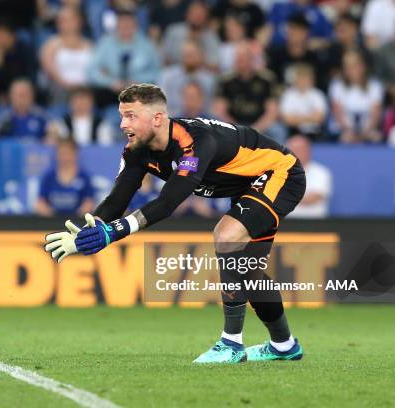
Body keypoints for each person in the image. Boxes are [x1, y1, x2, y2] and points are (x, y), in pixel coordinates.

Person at [46, 83, 306, 363]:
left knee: (226, 236)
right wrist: (88, 231)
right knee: (246, 272)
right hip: (246, 186)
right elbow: (116, 202)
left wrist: (114, 232)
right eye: (122, 116)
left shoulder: (194, 141)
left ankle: (231, 345)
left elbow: (168, 202)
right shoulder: (136, 150)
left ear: (157, 118)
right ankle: (284, 345)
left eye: (131, 116)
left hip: (280, 172)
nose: (123, 124)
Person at [213, 43, 285, 143]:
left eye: (243, 59)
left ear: (251, 60)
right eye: (238, 59)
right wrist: (237, 129)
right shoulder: (226, 81)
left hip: (260, 124)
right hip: (234, 125)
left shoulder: (266, 80)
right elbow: (220, 111)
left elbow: (272, 111)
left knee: (278, 130)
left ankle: (280, 158)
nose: (240, 62)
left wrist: (256, 129)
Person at [88, 9, 161, 107]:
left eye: (129, 25)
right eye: (122, 25)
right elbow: (92, 71)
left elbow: (157, 72)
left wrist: (139, 82)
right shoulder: (105, 43)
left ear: (136, 26)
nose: (126, 28)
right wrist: (110, 82)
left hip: (139, 92)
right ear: (116, 26)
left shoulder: (147, 45)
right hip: (110, 91)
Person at [39, 6, 93, 104]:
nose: (65, 23)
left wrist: (83, 87)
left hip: (86, 90)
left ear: (79, 21)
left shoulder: (89, 45)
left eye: (69, 19)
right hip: (60, 90)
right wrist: (66, 85)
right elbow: (49, 69)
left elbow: (96, 69)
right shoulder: (51, 45)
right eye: (61, 20)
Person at [328, 50, 383, 143]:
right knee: (345, 139)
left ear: (363, 66)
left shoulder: (374, 85)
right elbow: (337, 112)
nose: (352, 70)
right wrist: (348, 130)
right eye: (348, 67)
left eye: (355, 66)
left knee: (376, 138)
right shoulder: (337, 85)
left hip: (368, 129)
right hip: (343, 130)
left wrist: (365, 132)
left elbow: (376, 113)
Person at [35, 139, 96, 216]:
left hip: (77, 223)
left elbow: (89, 203)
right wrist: (51, 217)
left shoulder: (84, 177)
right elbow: (40, 203)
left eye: (68, 153)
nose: (65, 158)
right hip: (52, 223)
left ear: (75, 154)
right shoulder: (49, 176)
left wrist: (77, 217)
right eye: (62, 153)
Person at [0, 79, 50, 143]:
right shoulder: (3, 117)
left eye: (24, 95)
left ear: (32, 96)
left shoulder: (41, 115)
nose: (21, 100)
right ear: (11, 97)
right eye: (18, 95)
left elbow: (55, 134)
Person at [158, 39, 216, 115]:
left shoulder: (209, 79)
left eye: (192, 53)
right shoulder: (167, 76)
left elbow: (210, 107)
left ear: (201, 55)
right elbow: (160, 104)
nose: (189, 57)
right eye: (186, 54)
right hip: (172, 118)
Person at [286, 135, 332, 218]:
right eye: (291, 149)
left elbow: (314, 198)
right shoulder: (278, 172)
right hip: (285, 224)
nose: (294, 153)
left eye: (298, 149)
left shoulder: (320, 172)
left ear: (308, 151)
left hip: (312, 223)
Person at [279, 64, 327, 139]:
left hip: (315, 133)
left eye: (305, 78)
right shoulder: (288, 95)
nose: (303, 81)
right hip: (294, 132)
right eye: (300, 78)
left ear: (311, 80)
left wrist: (297, 118)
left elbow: (320, 118)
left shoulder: (317, 94)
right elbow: (287, 119)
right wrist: (310, 118)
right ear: (295, 79)